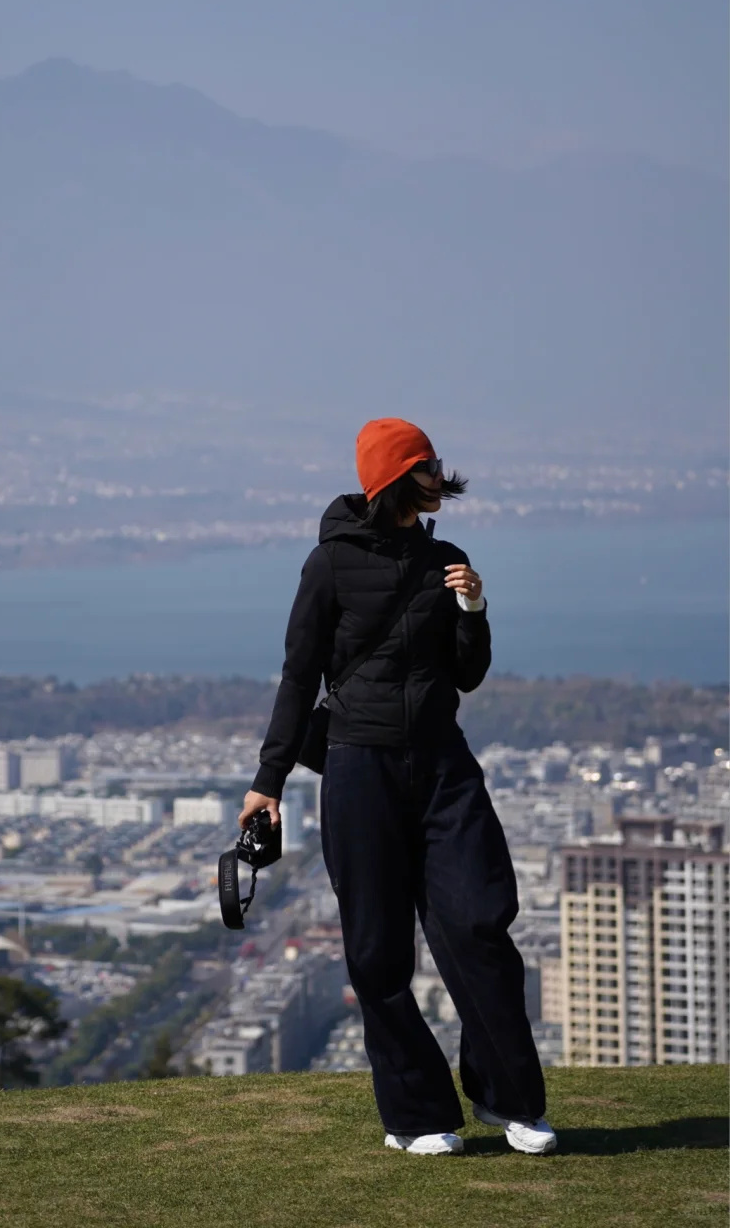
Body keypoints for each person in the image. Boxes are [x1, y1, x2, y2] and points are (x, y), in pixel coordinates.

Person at [240, 417, 556, 1157]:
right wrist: (268, 780)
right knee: (377, 952)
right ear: (395, 477)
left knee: (480, 923)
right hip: (358, 768)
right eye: (427, 464)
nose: (441, 473)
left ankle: (508, 1099)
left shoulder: (448, 559)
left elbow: (467, 673)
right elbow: (298, 676)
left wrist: (474, 609)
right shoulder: (327, 567)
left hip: (444, 764)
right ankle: (416, 1115)